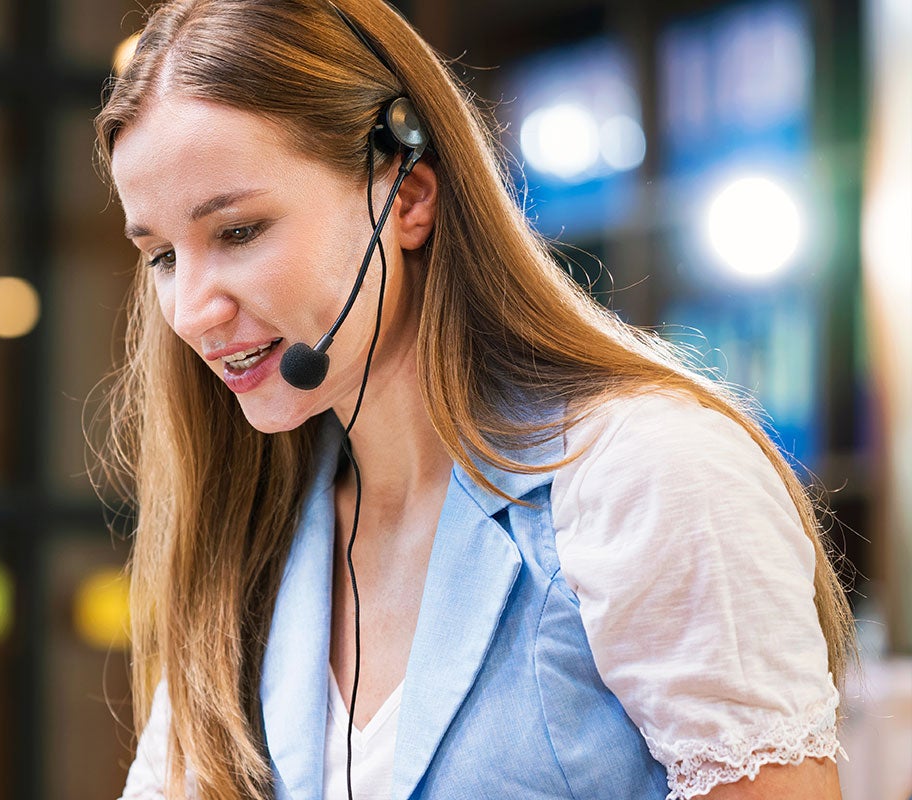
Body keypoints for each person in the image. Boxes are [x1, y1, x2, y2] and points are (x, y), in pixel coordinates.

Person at [95, 1, 851, 799]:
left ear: (409, 198)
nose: (190, 310)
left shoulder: (645, 473)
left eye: (239, 232)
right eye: (163, 257)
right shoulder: (257, 537)